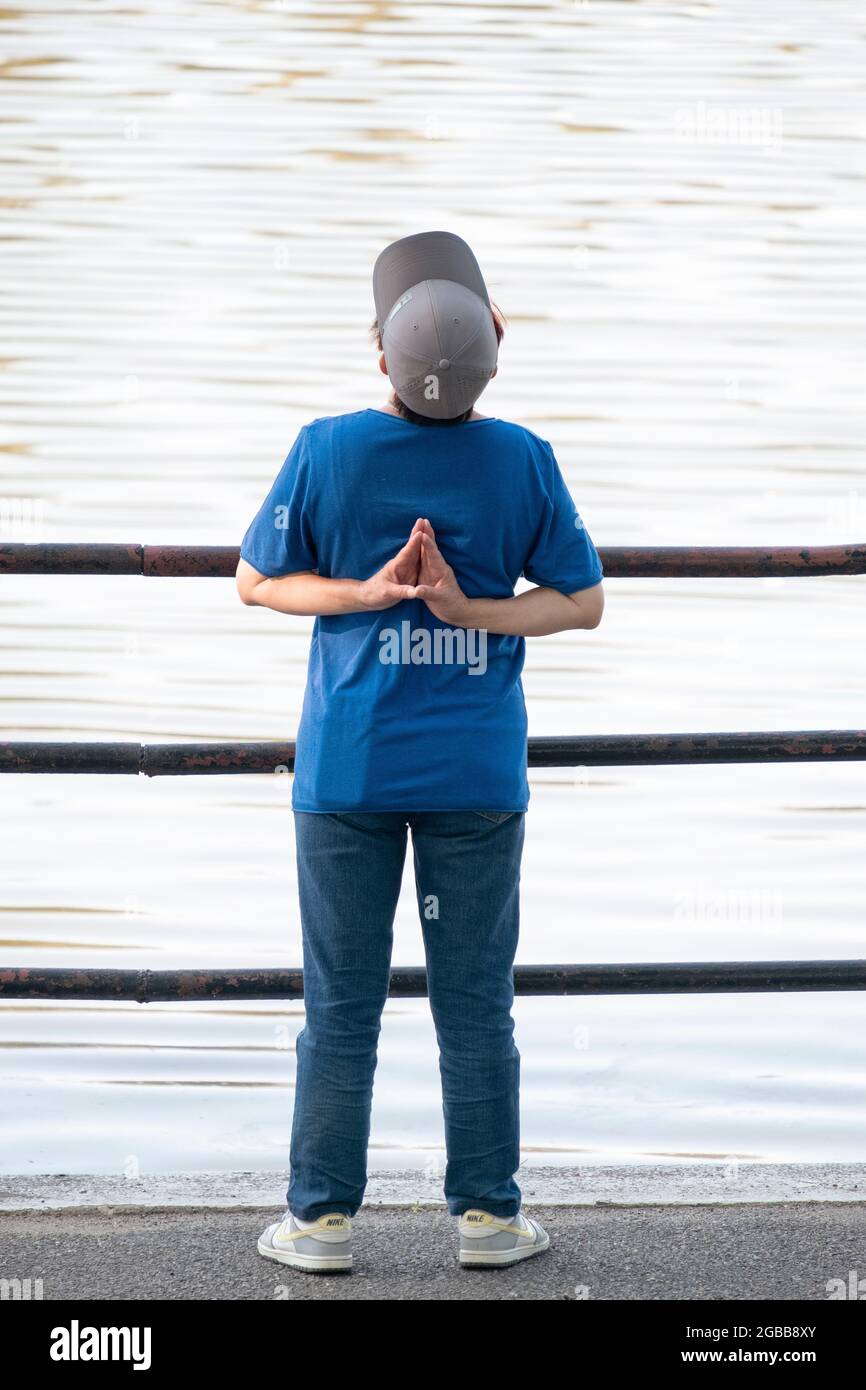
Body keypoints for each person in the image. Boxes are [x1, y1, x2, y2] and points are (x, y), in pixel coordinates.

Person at [236, 230, 605, 1274]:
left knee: (338, 1004)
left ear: (378, 351)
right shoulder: (522, 459)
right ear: (496, 339)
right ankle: (487, 1219)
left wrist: (361, 592)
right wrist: (470, 608)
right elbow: (580, 603)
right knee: (475, 1002)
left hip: (347, 772)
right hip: (475, 778)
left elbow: (256, 579)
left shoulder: (325, 449)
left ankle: (319, 1224)